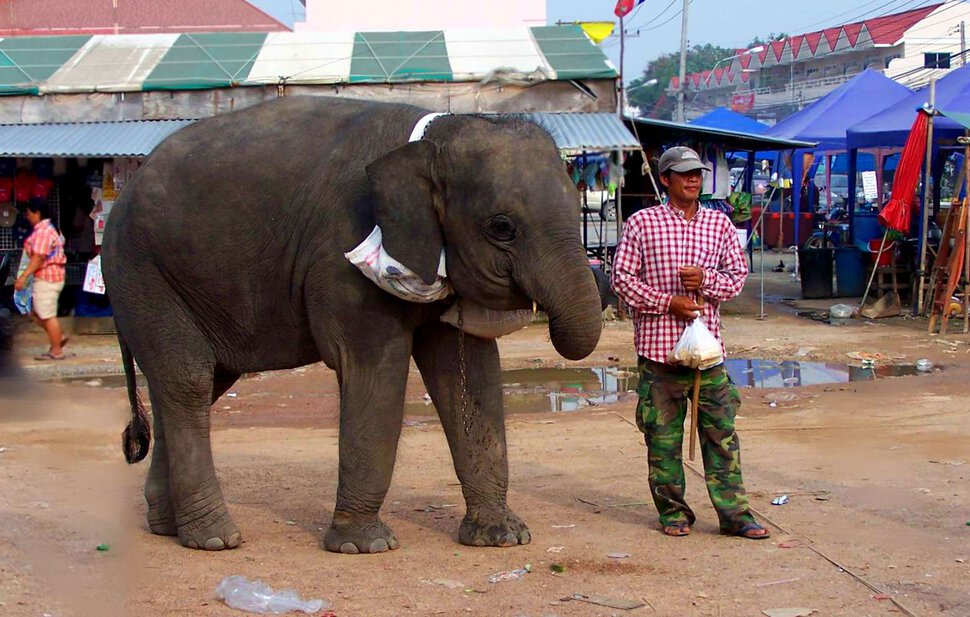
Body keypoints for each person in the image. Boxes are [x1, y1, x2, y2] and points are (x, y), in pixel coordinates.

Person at [610, 146, 769, 540]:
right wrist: (668, 302)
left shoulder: (719, 225)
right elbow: (621, 280)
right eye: (683, 174)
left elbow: (736, 277)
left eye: (697, 173)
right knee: (662, 442)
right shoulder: (642, 224)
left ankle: (736, 516)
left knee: (722, 438)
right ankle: (673, 513)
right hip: (659, 355)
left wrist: (706, 283)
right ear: (666, 180)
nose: (693, 179)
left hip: (708, 355)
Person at [14, 201, 68, 360]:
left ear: (37, 213)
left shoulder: (44, 232)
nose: (28, 217)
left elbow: (38, 257)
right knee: (35, 313)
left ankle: (56, 350)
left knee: (46, 314)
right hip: (45, 277)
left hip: (47, 277)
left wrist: (23, 277)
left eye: (29, 213)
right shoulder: (46, 230)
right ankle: (58, 337)